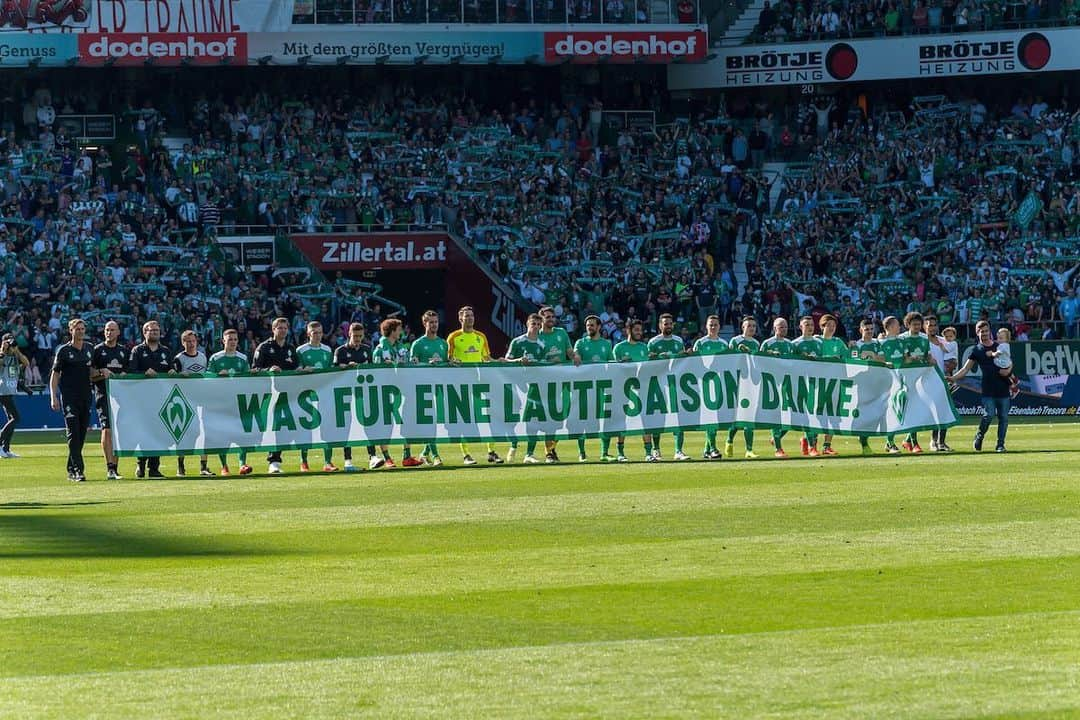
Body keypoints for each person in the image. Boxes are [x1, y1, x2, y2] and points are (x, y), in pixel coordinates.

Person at [446, 306, 504, 465]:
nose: (470, 318)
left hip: (481, 383)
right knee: (465, 418)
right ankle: (466, 454)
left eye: (472, 315)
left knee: (488, 417)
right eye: (467, 316)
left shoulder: (481, 337)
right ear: (460, 319)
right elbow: (448, 359)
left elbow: (486, 358)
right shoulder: (454, 337)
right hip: (462, 384)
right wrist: (452, 362)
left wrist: (499, 361)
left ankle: (491, 451)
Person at [948, 320, 1012, 452]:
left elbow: (1009, 361)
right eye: (981, 331)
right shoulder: (977, 350)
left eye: (986, 331)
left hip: (1003, 387)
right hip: (988, 389)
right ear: (977, 333)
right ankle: (980, 435)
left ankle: (1000, 445)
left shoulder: (999, 345)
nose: (984, 333)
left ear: (990, 331)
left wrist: (1009, 370)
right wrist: (953, 378)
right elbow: (966, 369)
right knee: (988, 415)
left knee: (1003, 418)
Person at [372, 318, 423, 468]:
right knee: (386, 424)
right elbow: (375, 373)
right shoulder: (380, 350)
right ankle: (387, 458)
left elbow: (407, 365)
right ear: (392, 330)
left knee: (407, 421)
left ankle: (407, 456)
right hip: (386, 392)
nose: (401, 331)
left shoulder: (401, 347)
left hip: (403, 390)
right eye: (399, 329)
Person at [334, 323, 384, 472]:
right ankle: (348, 460)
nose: (357, 339)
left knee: (368, 422)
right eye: (354, 336)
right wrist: (343, 367)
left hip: (363, 392)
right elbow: (332, 372)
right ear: (348, 334)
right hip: (345, 393)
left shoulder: (367, 349)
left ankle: (372, 457)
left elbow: (372, 370)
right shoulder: (340, 351)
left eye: (359, 336)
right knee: (347, 426)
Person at [128, 320, 174, 478]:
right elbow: (131, 372)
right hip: (142, 399)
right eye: (151, 330)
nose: (154, 333)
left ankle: (154, 468)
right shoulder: (137, 350)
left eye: (157, 330)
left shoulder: (166, 351)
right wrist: (143, 372)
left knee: (159, 433)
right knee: (144, 432)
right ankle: (140, 465)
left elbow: (171, 369)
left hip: (161, 398)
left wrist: (173, 371)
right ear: (144, 332)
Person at [251, 317, 298, 474]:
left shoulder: (291, 348)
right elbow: (254, 369)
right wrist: (269, 370)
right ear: (273, 329)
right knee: (272, 426)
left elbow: (296, 368)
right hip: (268, 394)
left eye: (285, 328)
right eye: (280, 328)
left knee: (286, 427)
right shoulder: (264, 347)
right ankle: (273, 461)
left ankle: (298, 460)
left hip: (288, 394)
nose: (283, 330)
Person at [50, 318, 93, 482]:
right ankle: (78, 470)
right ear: (71, 331)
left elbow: (91, 370)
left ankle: (70, 467)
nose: (81, 331)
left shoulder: (89, 349)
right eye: (77, 329)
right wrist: (53, 396)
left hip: (86, 397)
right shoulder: (63, 351)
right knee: (73, 434)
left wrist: (102, 371)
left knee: (81, 435)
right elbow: (55, 375)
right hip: (69, 398)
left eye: (82, 329)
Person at [207, 329, 253, 475]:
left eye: (235, 339)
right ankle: (224, 466)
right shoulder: (215, 358)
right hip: (221, 401)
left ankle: (242, 464)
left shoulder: (243, 358)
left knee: (241, 433)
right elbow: (207, 377)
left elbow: (248, 378)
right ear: (223, 341)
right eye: (229, 339)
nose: (232, 342)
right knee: (222, 434)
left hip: (238, 401)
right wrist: (217, 376)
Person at [296, 321, 340, 473]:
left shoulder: (327, 350)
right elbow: (296, 370)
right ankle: (304, 461)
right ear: (308, 334)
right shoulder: (300, 351)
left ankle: (327, 462)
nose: (318, 335)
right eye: (314, 332)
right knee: (306, 427)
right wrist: (302, 370)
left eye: (320, 332)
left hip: (324, 393)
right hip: (306, 394)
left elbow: (330, 371)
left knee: (327, 426)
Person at [537, 305, 580, 463]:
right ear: (541, 319)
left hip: (563, 381)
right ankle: (549, 452)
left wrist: (574, 355)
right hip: (546, 383)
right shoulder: (537, 336)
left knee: (564, 416)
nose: (551, 320)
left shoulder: (561, 333)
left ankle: (552, 447)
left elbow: (568, 351)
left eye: (553, 317)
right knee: (550, 418)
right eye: (548, 317)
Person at [505, 313, 547, 463]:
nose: (535, 327)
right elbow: (506, 360)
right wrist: (518, 361)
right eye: (532, 324)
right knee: (514, 419)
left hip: (534, 386)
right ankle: (514, 445)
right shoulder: (517, 342)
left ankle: (529, 454)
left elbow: (544, 366)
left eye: (537, 324)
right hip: (517, 385)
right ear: (527, 325)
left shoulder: (542, 345)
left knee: (533, 419)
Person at [647, 313, 690, 461]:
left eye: (670, 323)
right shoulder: (653, 342)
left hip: (675, 384)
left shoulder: (678, 341)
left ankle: (678, 450)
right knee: (658, 417)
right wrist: (659, 358)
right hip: (659, 384)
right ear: (660, 325)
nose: (668, 326)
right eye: (665, 323)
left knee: (678, 417)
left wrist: (685, 355)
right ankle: (656, 449)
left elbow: (682, 360)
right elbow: (649, 362)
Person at [409, 310, 450, 466]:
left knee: (438, 420)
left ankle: (424, 453)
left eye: (436, 322)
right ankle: (435, 455)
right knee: (430, 422)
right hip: (423, 388)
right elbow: (412, 365)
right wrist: (427, 365)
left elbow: (445, 363)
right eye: (431, 322)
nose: (434, 325)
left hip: (439, 387)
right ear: (424, 323)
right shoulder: (418, 344)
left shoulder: (442, 343)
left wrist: (451, 363)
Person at [172, 330, 214, 477]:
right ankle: (180, 466)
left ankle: (203, 466)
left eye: (193, 341)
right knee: (183, 433)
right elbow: (173, 379)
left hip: (201, 398)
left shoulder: (202, 357)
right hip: (185, 400)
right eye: (187, 341)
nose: (191, 344)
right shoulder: (179, 359)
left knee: (204, 431)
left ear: (197, 342)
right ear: (183, 343)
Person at [573, 315, 614, 462]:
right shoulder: (581, 342)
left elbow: (611, 362)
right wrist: (576, 356)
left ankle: (604, 453)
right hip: (585, 386)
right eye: (587, 325)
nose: (589, 327)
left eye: (592, 325)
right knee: (582, 418)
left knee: (605, 419)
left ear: (599, 327)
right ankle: (582, 453)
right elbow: (575, 354)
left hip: (602, 386)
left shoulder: (606, 344)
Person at [90, 321, 128, 478]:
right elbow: (89, 373)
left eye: (112, 330)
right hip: (103, 394)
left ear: (118, 332)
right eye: (107, 330)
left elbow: (130, 371)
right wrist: (100, 372)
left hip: (121, 397)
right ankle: (109, 466)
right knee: (107, 429)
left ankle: (115, 467)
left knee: (118, 430)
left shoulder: (124, 351)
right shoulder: (97, 350)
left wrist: (127, 375)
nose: (109, 332)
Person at [611, 319, 649, 462]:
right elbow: (613, 369)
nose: (639, 332)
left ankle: (648, 452)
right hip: (623, 388)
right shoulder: (619, 348)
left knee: (646, 419)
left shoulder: (644, 347)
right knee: (623, 420)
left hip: (642, 387)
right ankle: (620, 452)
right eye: (636, 330)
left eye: (640, 330)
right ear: (629, 330)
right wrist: (622, 364)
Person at [692, 315, 728, 460]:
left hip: (719, 383)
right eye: (711, 325)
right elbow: (693, 362)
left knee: (716, 417)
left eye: (715, 325)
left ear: (719, 327)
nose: (713, 327)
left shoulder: (724, 344)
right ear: (706, 326)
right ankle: (712, 448)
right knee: (711, 416)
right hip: (705, 384)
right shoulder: (700, 343)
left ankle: (707, 450)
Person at [724, 316, 760, 459]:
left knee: (748, 417)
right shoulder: (735, 341)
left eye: (754, 326)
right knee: (738, 418)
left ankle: (749, 449)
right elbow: (728, 360)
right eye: (749, 325)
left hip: (751, 383)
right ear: (743, 327)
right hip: (738, 383)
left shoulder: (757, 343)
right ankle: (729, 440)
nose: (751, 328)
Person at [760, 317, 795, 457]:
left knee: (792, 416)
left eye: (785, 327)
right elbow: (759, 361)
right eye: (781, 327)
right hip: (772, 384)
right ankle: (778, 449)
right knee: (776, 415)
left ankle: (776, 437)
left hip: (787, 383)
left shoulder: (790, 344)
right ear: (775, 328)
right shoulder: (767, 344)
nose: (784, 329)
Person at [850, 318, 885, 456]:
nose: (870, 332)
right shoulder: (856, 345)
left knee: (877, 412)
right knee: (863, 412)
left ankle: (887, 442)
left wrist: (870, 355)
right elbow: (853, 362)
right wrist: (863, 358)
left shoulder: (878, 343)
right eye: (866, 329)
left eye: (871, 329)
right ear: (861, 330)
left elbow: (882, 360)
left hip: (876, 382)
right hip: (862, 383)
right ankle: (863, 442)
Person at [898, 312, 931, 454]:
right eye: (914, 324)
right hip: (906, 378)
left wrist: (930, 359)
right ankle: (914, 443)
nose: (917, 327)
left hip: (920, 378)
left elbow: (927, 355)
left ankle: (907, 440)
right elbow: (902, 358)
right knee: (910, 410)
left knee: (917, 411)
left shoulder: (924, 338)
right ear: (908, 325)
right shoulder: (902, 339)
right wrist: (911, 358)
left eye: (919, 324)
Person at [792, 316, 824, 457]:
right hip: (802, 383)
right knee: (807, 415)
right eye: (806, 324)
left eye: (811, 324)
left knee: (816, 415)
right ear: (801, 327)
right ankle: (811, 446)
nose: (810, 327)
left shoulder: (818, 343)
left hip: (816, 382)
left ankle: (807, 441)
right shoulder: (795, 344)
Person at [817, 314, 848, 455]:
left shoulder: (839, 343)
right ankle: (811, 443)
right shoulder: (816, 341)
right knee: (817, 413)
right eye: (828, 325)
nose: (831, 328)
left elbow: (849, 359)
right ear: (822, 326)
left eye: (833, 325)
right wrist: (830, 359)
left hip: (835, 382)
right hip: (818, 382)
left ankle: (826, 445)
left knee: (833, 414)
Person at [924, 316, 954, 452]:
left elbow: (952, 360)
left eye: (935, 325)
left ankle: (942, 442)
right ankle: (933, 441)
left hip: (944, 380)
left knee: (945, 412)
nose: (933, 328)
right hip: (930, 381)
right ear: (925, 327)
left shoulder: (944, 341)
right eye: (930, 325)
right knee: (934, 413)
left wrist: (952, 365)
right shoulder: (923, 342)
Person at [877, 316, 905, 454]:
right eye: (897, 325)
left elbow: (906, 359)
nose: (899, 327)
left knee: (901, 411)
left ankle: (907, 441)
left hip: (901, 382)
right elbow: (879, 361)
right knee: (890, 412)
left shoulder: (902, 341)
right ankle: (890, 443)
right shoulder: (880, 343)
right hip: (887, 383)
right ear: (889, 327)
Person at [1, 331, 30, 459]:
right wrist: (2, 350)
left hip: (9, 391)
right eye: (9, 341)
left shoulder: (15, 357)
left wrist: (16, 351)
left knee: (11, 420)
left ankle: (5, 449)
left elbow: (26, 363)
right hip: (2, 391)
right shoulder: (2, 356)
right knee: (16, 418)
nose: (11, 343)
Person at [994, 327, 1020, 397]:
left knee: (1004, 377)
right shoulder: (1005, 345)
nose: (999, 340)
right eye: (998, 338)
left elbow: (998, 353)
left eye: (1001, 338)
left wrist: (993, 354)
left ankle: (1014, 389)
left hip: (1004, 365)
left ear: (1006, 339)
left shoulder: (1003, 345)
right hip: (1007, 363)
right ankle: (1015, 380)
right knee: (1008, 374)